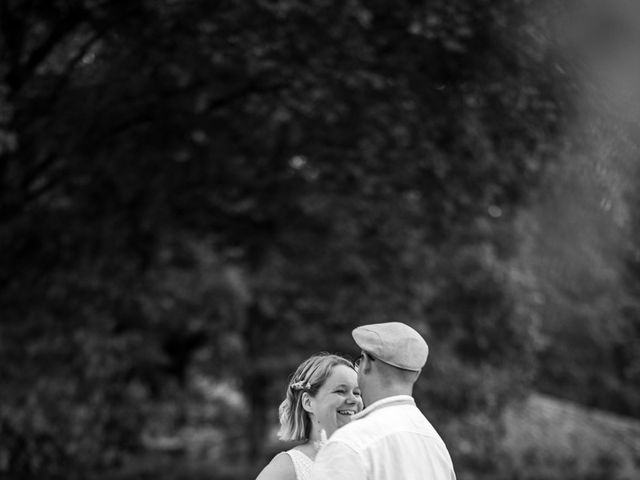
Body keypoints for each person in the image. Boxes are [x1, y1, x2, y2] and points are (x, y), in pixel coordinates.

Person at [311, 322, 456, 480]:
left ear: (365, 362)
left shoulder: (350, 443)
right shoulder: (436, 445)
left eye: (359, 361)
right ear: (416, 374)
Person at [256, 352, 363, 480]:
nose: (354, 400)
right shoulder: (288, 467)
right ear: (308, 402)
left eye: (357, 393)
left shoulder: (369, 457)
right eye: (340, 391)